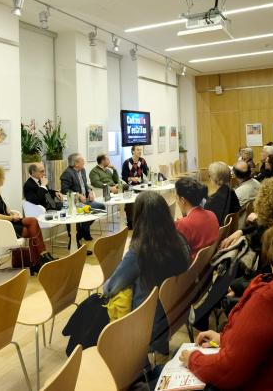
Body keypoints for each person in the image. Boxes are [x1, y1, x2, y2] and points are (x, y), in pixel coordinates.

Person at [180, 219, 273, 391]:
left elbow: (229, 371)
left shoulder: (271, 298)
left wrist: (193, 359)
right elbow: (267, 344)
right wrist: (223, 339)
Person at [103, 191, 190, 357]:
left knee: (95, 305)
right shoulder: (180, 240)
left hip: (147, 323)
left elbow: (111, 288)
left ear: (139, 217)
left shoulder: (139, 251)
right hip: (174, 313)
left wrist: (107, 285)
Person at [0, 165, 54, 272]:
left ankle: (40, 258)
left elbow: (4, 207)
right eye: (2, 177)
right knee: (30, 231)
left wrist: (12, 213)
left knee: (33, 221)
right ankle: (39, 259)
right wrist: (11, 218)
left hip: (6, 222)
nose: (4, 179)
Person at [60, 153, 103, 246]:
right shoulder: (67, 173)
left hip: (85, 200)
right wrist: (78, 195)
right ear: (76, 163)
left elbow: (85, 184)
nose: (84, 162)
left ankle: (84, 228)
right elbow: (64, 190)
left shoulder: (82, 170)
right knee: (84, 212)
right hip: (75, 203)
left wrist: (90, 191)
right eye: (82, 160)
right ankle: (77, 238)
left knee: (100, 208)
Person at [174, 177, 218, 259]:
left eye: (176, 197)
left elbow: (178, 256)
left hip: (195, 269)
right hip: (211, 263)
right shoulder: (212, 214)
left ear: (183, 200)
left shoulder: (182, 224)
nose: (176, 201)